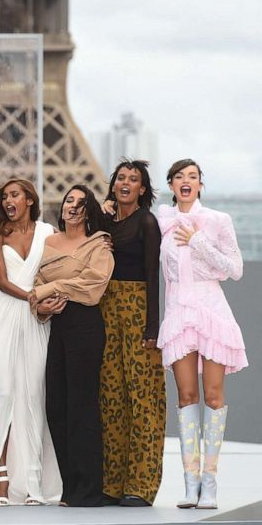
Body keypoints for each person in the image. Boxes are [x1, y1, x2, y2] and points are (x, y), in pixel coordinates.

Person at [156, 159, 245, 510]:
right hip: (179, 315)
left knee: (212, 394)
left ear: (201, 185)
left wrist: (197, 242)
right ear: (172, 185)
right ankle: (190, 484)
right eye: (179, 177)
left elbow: (234, 270)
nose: (186, 181)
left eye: (192, 176)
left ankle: (210, 483)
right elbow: (165, 277)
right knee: (186, 396)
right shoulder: (162, 222)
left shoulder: (218, 221)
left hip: (211, 314)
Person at [29, 185, 113, 507]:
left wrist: (53, 285)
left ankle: (89, 490)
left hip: (86, 328)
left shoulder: (99, 243)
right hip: (59, 328)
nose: (72, 206)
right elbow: (37, 289)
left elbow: (92, 288)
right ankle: (71, 487)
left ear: (89, 210)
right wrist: (42, 307)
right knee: (57, 407)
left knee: (82, 407)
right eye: (68, 200)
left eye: (80, 202)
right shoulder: (50, 242)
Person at [0, 178, 60, 506]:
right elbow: (1, 281)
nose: (7, 200)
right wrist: (35, 298)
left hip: (36, 320)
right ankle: (1, 478)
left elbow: (60, 269)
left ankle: (32, 480)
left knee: (32, 395)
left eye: (14, 194)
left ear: (29, 198)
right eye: (3, 197)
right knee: (4, 393)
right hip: (3, 316)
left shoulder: (48, 233)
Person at [97, 160, 166, 507]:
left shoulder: (148, 223)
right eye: (121, 178)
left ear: (142, 188)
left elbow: (153, 275)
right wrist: (100, 210)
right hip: (106, 310)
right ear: (113, 185)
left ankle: (141, 483)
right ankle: (112, 482)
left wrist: (153, 326)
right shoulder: (106, 221)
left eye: (133, 179)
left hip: (138, 310)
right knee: (111, 399)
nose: (126, 183)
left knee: (143, 399)